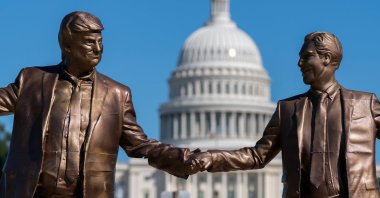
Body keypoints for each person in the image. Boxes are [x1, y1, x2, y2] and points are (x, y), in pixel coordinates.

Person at [0, 11, 197, 198]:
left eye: (100, 42)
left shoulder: (117, 94)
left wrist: (190, 158)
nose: (98, 49)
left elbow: (141, 145)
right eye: (88, 42)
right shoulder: (32, 80)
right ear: (67, 45)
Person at [188, 32, 380, 197]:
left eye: (307, 56)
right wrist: (210, 158)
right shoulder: (287, 109)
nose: (299, 63)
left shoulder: (365, 104)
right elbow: (257, 156)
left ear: (326, 58)